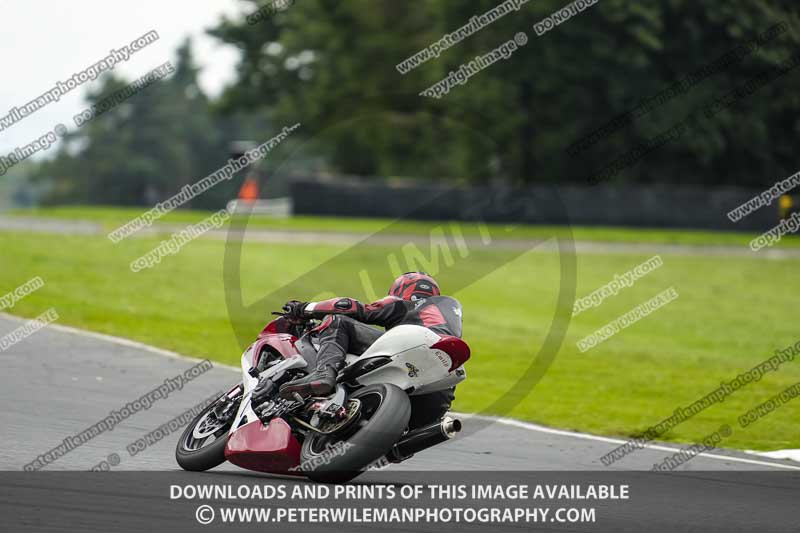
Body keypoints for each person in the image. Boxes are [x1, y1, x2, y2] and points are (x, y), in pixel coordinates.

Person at [277, 271, 463, 429]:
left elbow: (350, 307)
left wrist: (303, 308)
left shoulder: (410, 304)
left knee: (338, 321)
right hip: (438, 395)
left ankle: (323, 373)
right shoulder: (447, 313)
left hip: (418, 346)